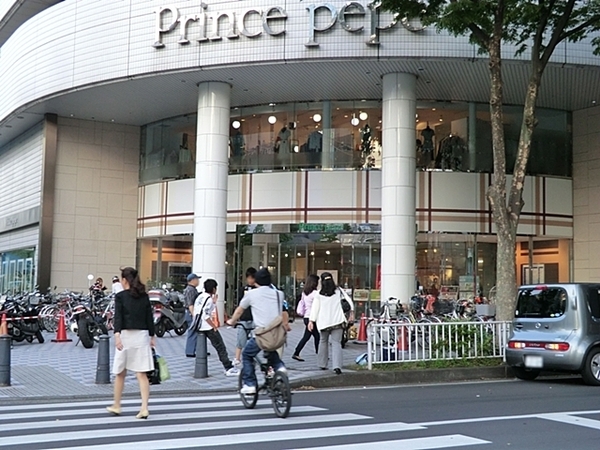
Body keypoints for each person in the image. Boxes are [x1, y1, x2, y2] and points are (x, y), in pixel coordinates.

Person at [227, 268, 290, 395]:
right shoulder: (279, 294)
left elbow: (239, 310)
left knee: (247, 354)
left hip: (262, 335)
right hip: (278, 335)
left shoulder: (251, 294)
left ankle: (250, 384)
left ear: (256, 281)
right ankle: (280, 367)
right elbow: (282, 311)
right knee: (271, 351)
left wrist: (232, 321)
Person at [106, 267, 155, 419]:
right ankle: (144, 408)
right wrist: (152, 336)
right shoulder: (144, 296)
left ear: (124, 280)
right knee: (141, 373)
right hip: (142, 335)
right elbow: (149, 317)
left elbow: (118, 318)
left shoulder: (120, 296)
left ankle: (117, 404)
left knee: (120, 372)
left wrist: (117, 335)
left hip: (126, 336)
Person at [308, 272, 354, 375]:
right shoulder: (339, 291)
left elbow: (315, 309)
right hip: (337, 321)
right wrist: (351, 313)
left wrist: (311, 321)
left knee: (323, 341)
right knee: (336, 343)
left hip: (323, 322)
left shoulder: (319, 294)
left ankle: (322, 364)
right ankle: (337, 366)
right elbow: (349, 302)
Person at [193, 279, 239, 377]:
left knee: (218, 346)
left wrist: (214, 302)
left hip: (198, 325)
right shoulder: (208, 299)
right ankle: (228, 367)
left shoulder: (200, 296)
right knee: (220, 346)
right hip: (206, 327)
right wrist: (213, 326)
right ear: (213, 289)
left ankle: (228, 366)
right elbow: (206, 315)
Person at [292, 274, 320, 362]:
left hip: (306, 317)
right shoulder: (315, 293)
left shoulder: (304, 293)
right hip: (312, 318)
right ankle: (319, 354)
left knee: (310, 336)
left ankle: (297, 352)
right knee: (314, 336)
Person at [233, 267, 257, 368]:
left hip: (255, 318)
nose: (251, 280)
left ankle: (252, 357)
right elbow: (240, 304)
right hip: (244, 318)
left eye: (253, 278)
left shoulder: (258, 290)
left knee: (256, 340)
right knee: (240, 339)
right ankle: (237, 358)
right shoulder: (242, 289)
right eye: (249, 278)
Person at [184, 273, 201, 357]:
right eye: (197, 279)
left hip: (189, 312)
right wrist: (194, 315)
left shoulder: (191, 289)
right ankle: (190, 351)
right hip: (191, 313)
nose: (198, 281)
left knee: (194, 332)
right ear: (193, 280)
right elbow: (190, 304)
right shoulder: (190, 290)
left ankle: (197, 350)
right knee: (193, 332)